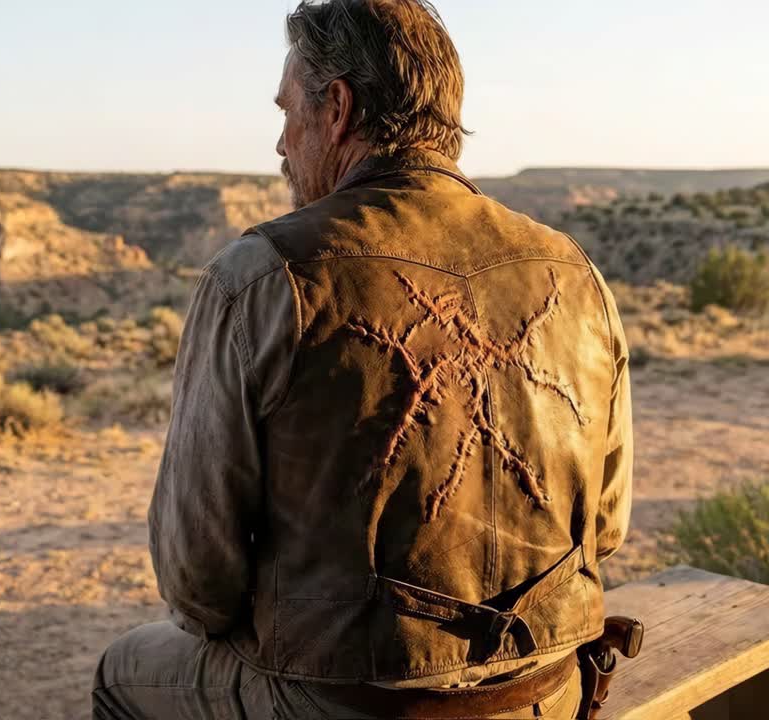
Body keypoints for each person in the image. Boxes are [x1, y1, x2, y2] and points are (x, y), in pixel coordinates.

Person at [92, 1, 632, 717]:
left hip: (341, 703)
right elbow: (606, 528)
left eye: (288, 112)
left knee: (121, 672)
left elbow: (198, 583)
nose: (280, 143)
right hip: (547, 693)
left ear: (338, 108)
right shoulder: (573, 271)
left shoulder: (264, 276)